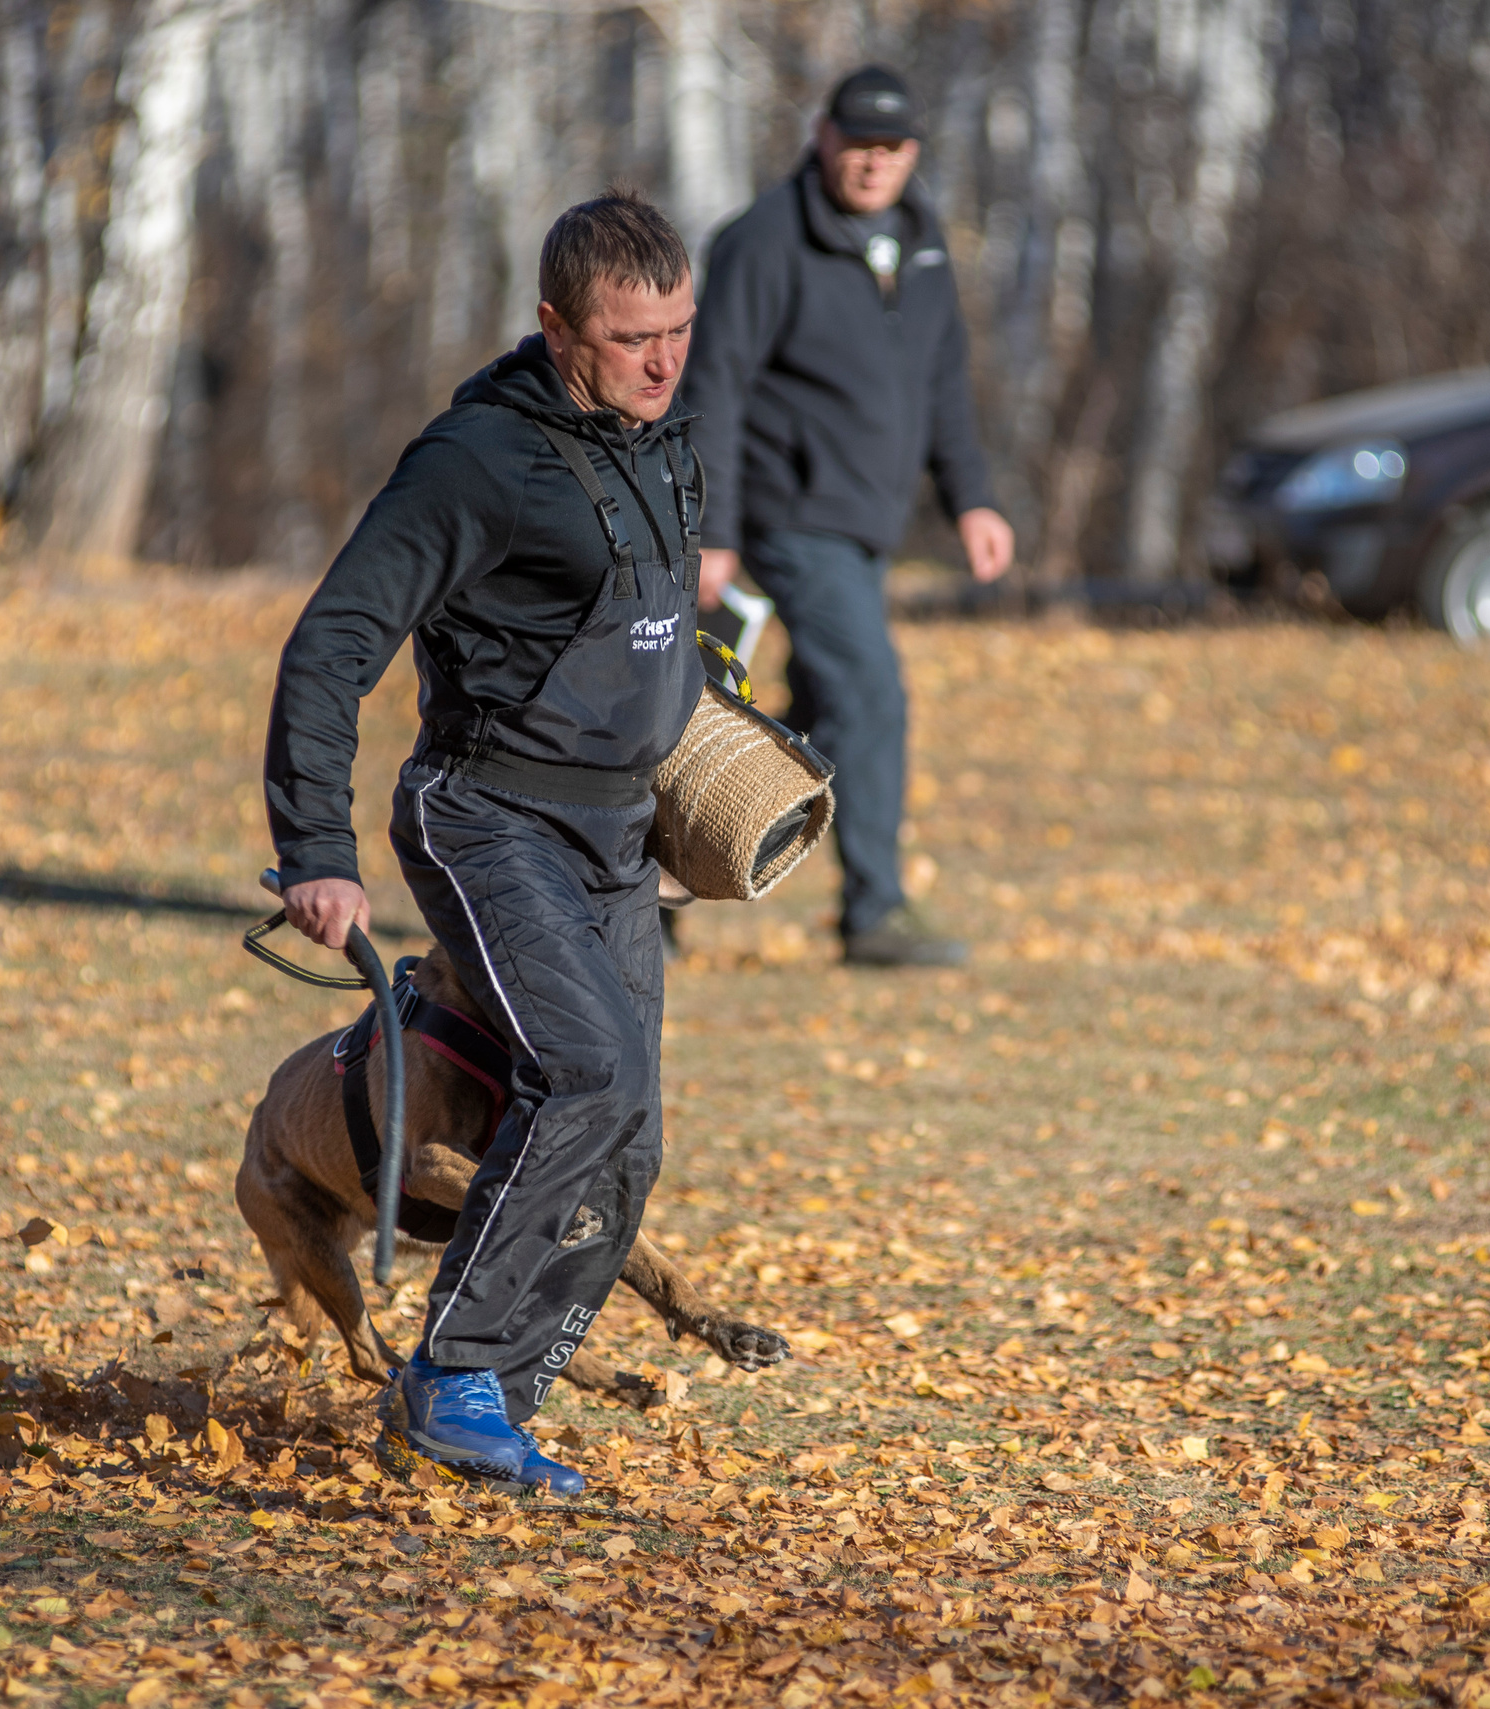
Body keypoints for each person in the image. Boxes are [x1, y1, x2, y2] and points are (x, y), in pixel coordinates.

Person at [264, 189, 706, 1497]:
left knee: (628, 1136)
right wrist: (313, 845)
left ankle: (492, 1406)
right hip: (488, 818)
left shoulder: (663, 427)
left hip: (619, 831)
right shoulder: (475, 461)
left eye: (680, 329)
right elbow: (333, 640)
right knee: (588, 1072)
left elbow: (658, 611)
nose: (666, 360)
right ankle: (451, 1376)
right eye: (633, 338)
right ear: (557, 327)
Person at [682, 65, 1013, 968]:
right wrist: (713, 527)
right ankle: (875, 911)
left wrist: (972, 496)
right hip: (790, 511)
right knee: (871, 692)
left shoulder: (923, 243)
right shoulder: (764, 241)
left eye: (891, 147)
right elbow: (714, 382)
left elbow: (943, 384)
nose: (873, 163)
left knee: (796, 714)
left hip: (868, 521)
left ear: (911, 153)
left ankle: (660, 884)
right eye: (857, 143)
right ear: (822, 136)